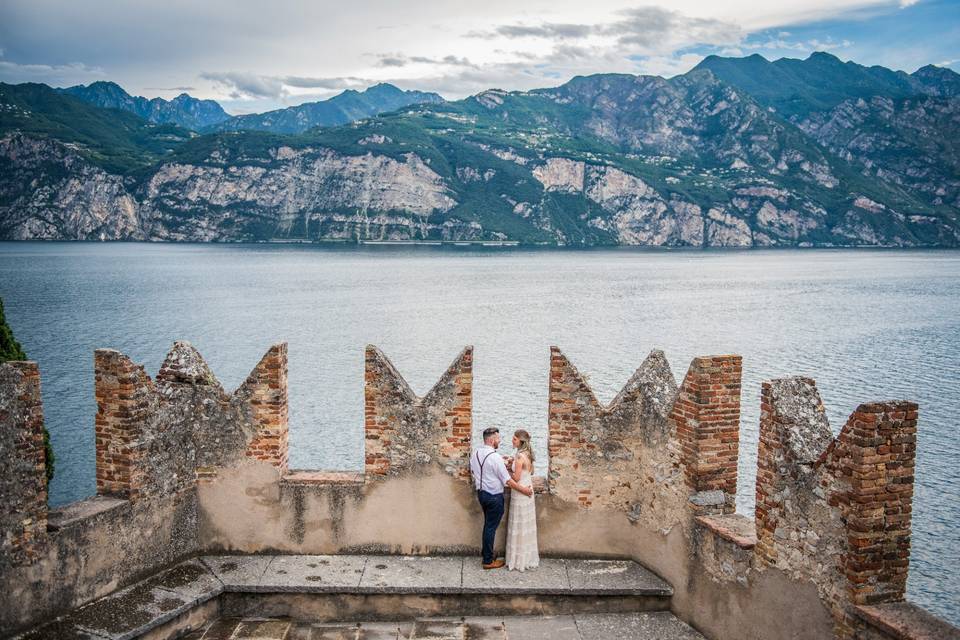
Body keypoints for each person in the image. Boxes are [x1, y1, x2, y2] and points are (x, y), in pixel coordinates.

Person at [470, 427, 533, 569]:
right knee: (490, 528)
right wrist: (524, 490)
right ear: (492, 440)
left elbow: (475, 470)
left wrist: (501, 462)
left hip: (482, 494)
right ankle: (488, 561)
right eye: (498, 438)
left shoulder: (476, 453)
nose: (500, 441)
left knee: (488, 525)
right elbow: (509, 481)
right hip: (494, 497)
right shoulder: (495, 458)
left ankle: (487, 553)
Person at [504, 429, 539, 571]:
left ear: (521, 441)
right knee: (526, 526)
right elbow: (526, 472)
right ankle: (526, 558)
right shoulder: (528, 454)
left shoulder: (519, 457)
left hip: (520, 493)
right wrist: (511, 464)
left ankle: (517, 560)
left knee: (518, 525)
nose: (512, 441)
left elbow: (516, 478)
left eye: (514, 439)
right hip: (528, 490)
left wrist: (505, 469)